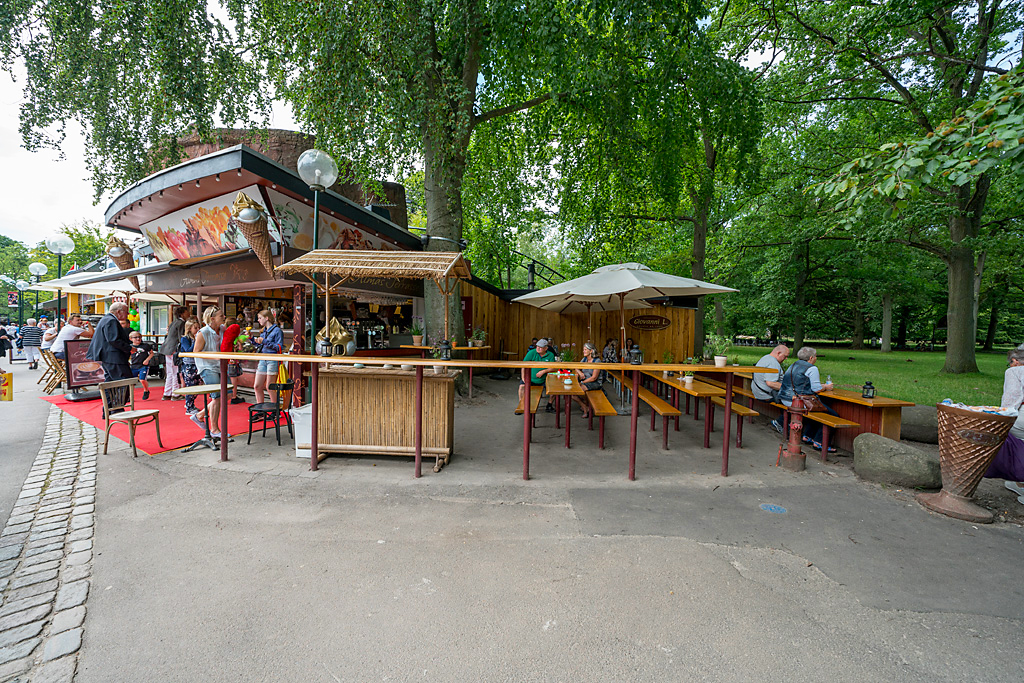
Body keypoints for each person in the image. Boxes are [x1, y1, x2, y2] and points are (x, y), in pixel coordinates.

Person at [778, 346, 839, 452]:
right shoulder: (812, 368)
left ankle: (807, 436)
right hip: (799, 402)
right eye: (815, 356)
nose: (816, 358)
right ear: (811, 358)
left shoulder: (793, 364)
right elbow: (816, 389)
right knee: (833, 415)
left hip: (785, 398)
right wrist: (826, 387)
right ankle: (820, 442)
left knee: (818, 411)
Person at [985, 348, 1024, 504]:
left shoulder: (1014, 372)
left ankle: (1017, 477)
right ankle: (1018, 483)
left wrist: (1001, 417)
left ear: (1014, 361)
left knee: (1008, 433)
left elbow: (1012, 397)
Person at [191, 306, 226, 438]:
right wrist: (215, 356)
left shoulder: (222, 329)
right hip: (207, 366)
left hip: (220, 365)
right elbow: (196, 352)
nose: (224, 317)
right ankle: (215, 429)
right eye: (221, 315)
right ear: (212, 319)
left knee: (227, 394)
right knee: (217, 396)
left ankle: (199, 415)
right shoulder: (203, 332)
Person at [86, 303, 133, 381]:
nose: (128, 314)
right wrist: (130, 348)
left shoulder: (106, 319)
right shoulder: (111, 320)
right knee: (124, 382)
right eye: (126, 311)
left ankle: (108, 393)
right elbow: (113, 340)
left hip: (109, 357)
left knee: (110, 382)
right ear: (118, 312)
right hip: (114, 358)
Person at [752, 344, 790, 433]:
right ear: (779, 353)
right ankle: (780, 422)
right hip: (766, 395)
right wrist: (790, 388)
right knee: (794, 404)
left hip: (757, 391)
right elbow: (771, 383)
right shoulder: (773, 363)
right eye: (785, 356)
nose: (786, 359)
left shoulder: (765, 358)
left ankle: (784, 422)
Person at [252, 309, 284, 404]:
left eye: (260, 318)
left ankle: (275, 410)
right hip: (263, 358)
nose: (258, 320)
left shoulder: (277, 331)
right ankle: (260, 409)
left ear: (267, 318)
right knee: (257, 386)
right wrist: (252, 339)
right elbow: (261, 345)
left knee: (270, 387)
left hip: (272, 359)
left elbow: (279, 347)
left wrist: (264, 341)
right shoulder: (264, 331)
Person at [160, 306, 190, 401]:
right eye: (187, 312)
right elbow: (181, 337)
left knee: (170, 372)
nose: (188, 313)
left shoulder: (174, 322)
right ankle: (175, 394)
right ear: (182, 314)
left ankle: (167, 393)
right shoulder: (182, 323)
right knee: (175, 371)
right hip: (174, 349)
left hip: (167, 348)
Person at [520, 338, 556, 413]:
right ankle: (522, 404)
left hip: (544, 379)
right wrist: (523, 377)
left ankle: (549, 405)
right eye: (537, 346)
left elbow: (553, 367)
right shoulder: (531, 352)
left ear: (546, 348)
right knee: (521, 387)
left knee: (554, 389)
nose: (538, 348)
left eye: (540, 347)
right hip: (531, 378)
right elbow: (523, 365)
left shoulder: (550, 355)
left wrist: (544, 371)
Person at [572, 342, 604, 418]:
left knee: (578, 391)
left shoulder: (597, 361)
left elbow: (594, 378)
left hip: (595, 383)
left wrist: (582, 382)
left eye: (585, 349)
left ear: (591, 351)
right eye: (583, 349)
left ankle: (587, 407)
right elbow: (576, 367)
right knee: (572, 394)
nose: (583, 351)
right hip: (585, 382)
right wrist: (580, 373)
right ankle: (585, 407)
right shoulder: (584, 359)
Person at [177, 318, 202, 414]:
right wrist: (196, 340)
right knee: (190, 385)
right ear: (189, 328)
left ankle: (190, 402)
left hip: (197, 363)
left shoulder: (198, 337)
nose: (197, 329)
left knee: (198, 383)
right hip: (188, 364)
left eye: (198, 327)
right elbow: (189, 351)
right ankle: (189, 406)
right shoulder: (185, 339)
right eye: (195, 328)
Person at [128, 331, 155, 400]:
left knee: (142, 379)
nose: (138, 339)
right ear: (131, 339)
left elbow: (152, 353)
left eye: (139, 337)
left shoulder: (145, 346)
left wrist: (147, 360)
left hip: (143, 365)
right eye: (135, 337)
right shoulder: (129, 347)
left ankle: (146, 390)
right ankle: (130, 395)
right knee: (132, 381)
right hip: (133, 366)